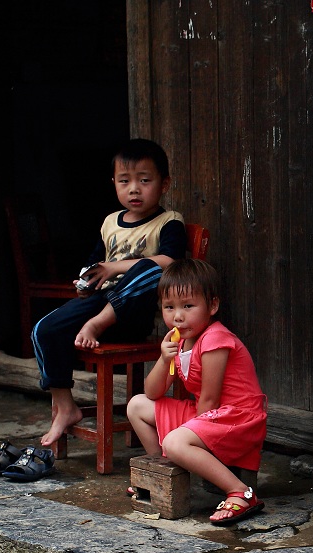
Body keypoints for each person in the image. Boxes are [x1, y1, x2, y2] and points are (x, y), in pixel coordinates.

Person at [32, 138, 188, 448]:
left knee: (151, 268)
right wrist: (86, 281)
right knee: (43, 329)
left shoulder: (169, 222)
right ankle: (66, 407)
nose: (134, 189)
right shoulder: (109, 224)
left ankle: (97, 323)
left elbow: (170, 262)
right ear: (114, 184)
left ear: (164, 184)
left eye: (145, 181)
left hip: (133, 313)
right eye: (125, 181)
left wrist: (114, 268)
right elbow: (94, 264)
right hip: (100, 302)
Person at [126, 258, 268, 525]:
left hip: (237, 417)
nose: (178, 316)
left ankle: (241, 492)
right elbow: (153, 392)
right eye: (169, 307)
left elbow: (210, 398)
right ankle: (161, 473)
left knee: (175, 441)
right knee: (137, 405)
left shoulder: (215, 338)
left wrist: (185, 435)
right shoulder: (179, 342)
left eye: (188, 306)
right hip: (210, 414)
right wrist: (164, 359)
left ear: (212, 305)